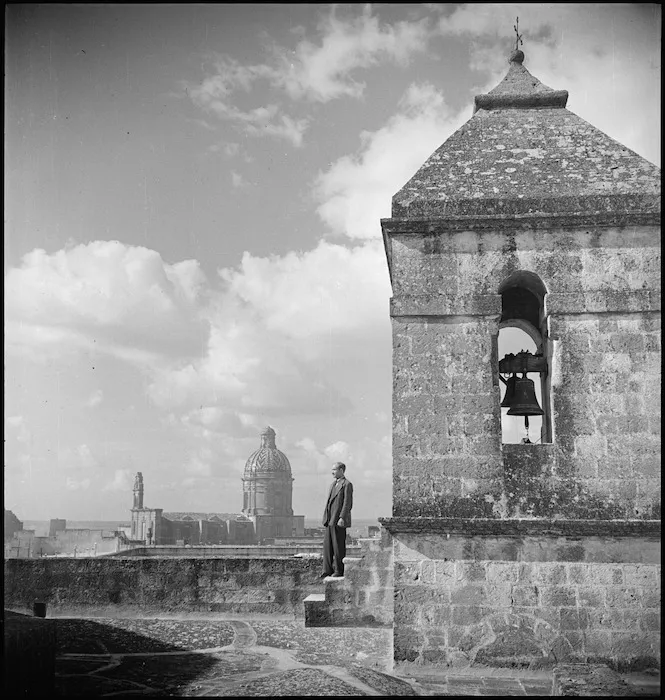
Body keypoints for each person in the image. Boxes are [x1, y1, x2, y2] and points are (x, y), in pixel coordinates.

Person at [320, 462, 353, 578]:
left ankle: (339, 570)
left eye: (334, 469)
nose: (332, 472)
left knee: (338, 546)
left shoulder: (347, 484)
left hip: (338, 520)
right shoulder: (332, 484)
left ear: (341, 470)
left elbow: (347, 503)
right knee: (327, 546)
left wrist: (342, 517)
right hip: (329, 519)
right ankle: (327, 570)